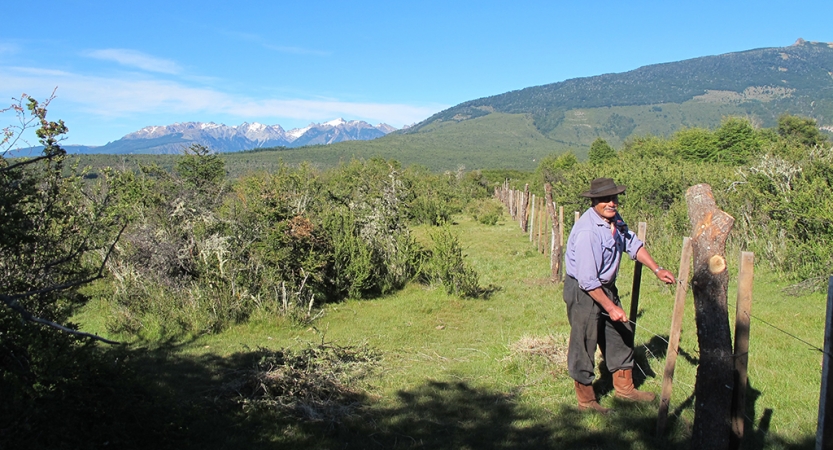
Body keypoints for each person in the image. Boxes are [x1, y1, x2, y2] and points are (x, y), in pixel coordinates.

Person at [563, 177, 675, 413]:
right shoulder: (587, 231)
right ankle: (586, 401)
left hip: (604, 286)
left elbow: (632, 244)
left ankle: (625, 389)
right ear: (594, 202)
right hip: (583, 290)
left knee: (621, 333)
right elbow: (587, 280)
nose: (611, 203)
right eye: (605, 199)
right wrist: (611, 307)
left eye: (613, 198)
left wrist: (657, 269)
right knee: (584, 340)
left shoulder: (614, 220)